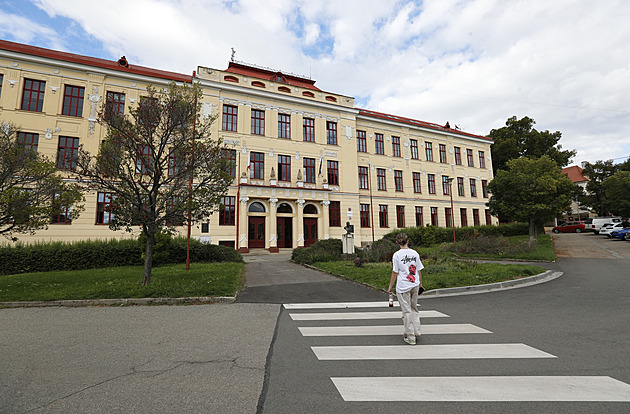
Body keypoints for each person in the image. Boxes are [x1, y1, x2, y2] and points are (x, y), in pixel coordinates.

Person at [388, 233, 424, 345]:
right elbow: (418, 270)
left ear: (397, 242)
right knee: (414, 308)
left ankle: (410, 336)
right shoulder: (415, 253)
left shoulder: (397, 255)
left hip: (403, 286)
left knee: (406, 311)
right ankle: (416, 330)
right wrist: (420, 285)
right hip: (414, 284)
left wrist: (390, 286)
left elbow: (395, 272)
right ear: (408, 241)